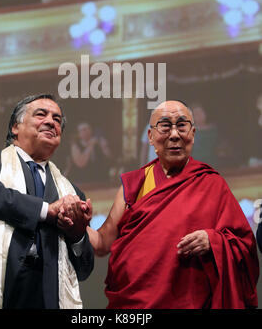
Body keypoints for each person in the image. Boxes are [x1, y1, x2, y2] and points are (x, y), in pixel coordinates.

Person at [81, 100, 259, 309]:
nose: (174, 134)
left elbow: (244, 245)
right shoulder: (134, 184)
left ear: (193, 133)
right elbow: (103, 242)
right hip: (135, 306)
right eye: (165, 126)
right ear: (150, 136)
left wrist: (214, 241)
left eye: (182, 126)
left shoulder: (211, 183)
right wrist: (77, 223)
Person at [0, 93, 94, 309]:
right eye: (41, 114)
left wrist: (77, 234)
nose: (51, 121)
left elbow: (84, 269)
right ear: (15, 126)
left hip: (48, 292)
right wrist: (46, 211)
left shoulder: (71, 193)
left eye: (57, 119)